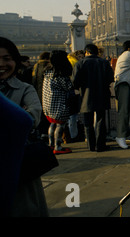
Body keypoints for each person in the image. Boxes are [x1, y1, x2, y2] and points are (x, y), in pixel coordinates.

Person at [0, 37, 48, 216]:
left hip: (19, 166)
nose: (2, 64)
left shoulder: (24, 89)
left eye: (7, 58)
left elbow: (30, 119)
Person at [73, 44, 114, 152]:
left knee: (87, 121)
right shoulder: (104, 62)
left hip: (86, 95)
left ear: (86, 52)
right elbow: (110, 78)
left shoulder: (80, 63)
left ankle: (91, 145)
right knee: (101, 120)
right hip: (102, 94)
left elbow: (75, 82)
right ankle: (100, 145)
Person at [42, 50, 74, 154]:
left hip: (48, 102)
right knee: (60, 125)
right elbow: (68, 87)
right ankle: (58, 146)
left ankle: (51, 144)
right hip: (59, 103)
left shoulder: (48, 71)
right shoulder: (60, 74)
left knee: (52, 123)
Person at [114, 40, 130, 149]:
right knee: (124, 111)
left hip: (121, 83)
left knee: (125, 111)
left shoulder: (123, 55)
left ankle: (123, 134)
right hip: (123, 84)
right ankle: (120, 136)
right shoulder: (129, 55)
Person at [32, 51, 51, 139]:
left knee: (41, 114)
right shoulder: (48, 66)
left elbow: (34, 81)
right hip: (47, 93)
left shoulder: (36, 66)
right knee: (48, 114)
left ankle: (41, 132)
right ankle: (47, 133)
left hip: (37, 93)